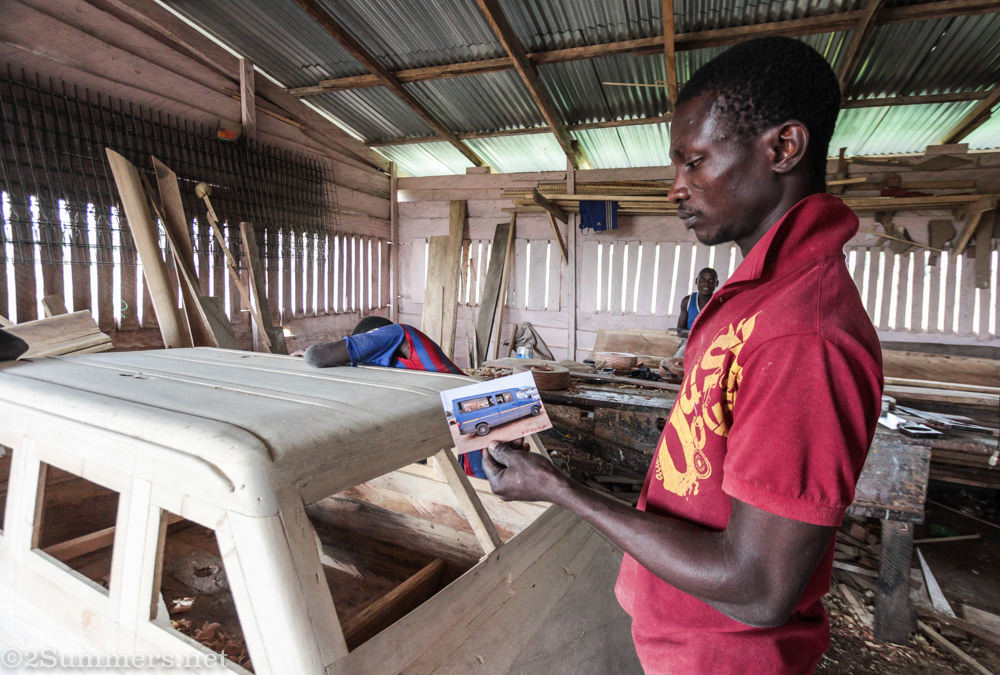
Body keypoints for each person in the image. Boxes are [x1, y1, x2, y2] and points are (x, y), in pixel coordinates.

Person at [481, 36, 882, 674]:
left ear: (783, 148)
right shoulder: (757, 297)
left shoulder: (803, 333)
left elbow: (757, 588)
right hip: (686, 642)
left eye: (694, 162)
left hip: (725, 659)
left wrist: (560, 488)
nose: (676, 188)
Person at [303, 317, 487, 478]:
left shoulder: (397, 333)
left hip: (471, 412)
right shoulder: (392, 365)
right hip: (459, 416)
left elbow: (315, 356)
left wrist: (302, 358)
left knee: (478, 478)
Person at [676, 267, 718, 338]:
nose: (706, 284)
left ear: (716, 283)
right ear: (696, 281)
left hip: (711, 343)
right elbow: (680, 331)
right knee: (682, 349)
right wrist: (701, 333)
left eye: (710, 281)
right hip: (690, 342)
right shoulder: (687, 301)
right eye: (702, 279)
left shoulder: (719, 302)